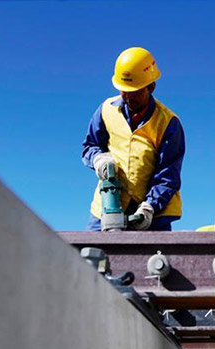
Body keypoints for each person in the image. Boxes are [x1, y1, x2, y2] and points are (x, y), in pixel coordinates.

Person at [82, 47, 185, 231]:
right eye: (123, 90)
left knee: (152, 259)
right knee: (91, 256)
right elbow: (90, 145)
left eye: (134, 91)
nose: (127, 96)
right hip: (106, 210)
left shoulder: (168, 124)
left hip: (152, 215)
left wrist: (149, 207)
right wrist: (98, 159)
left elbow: (168, 176)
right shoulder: (106, 110)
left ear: (151, 86)